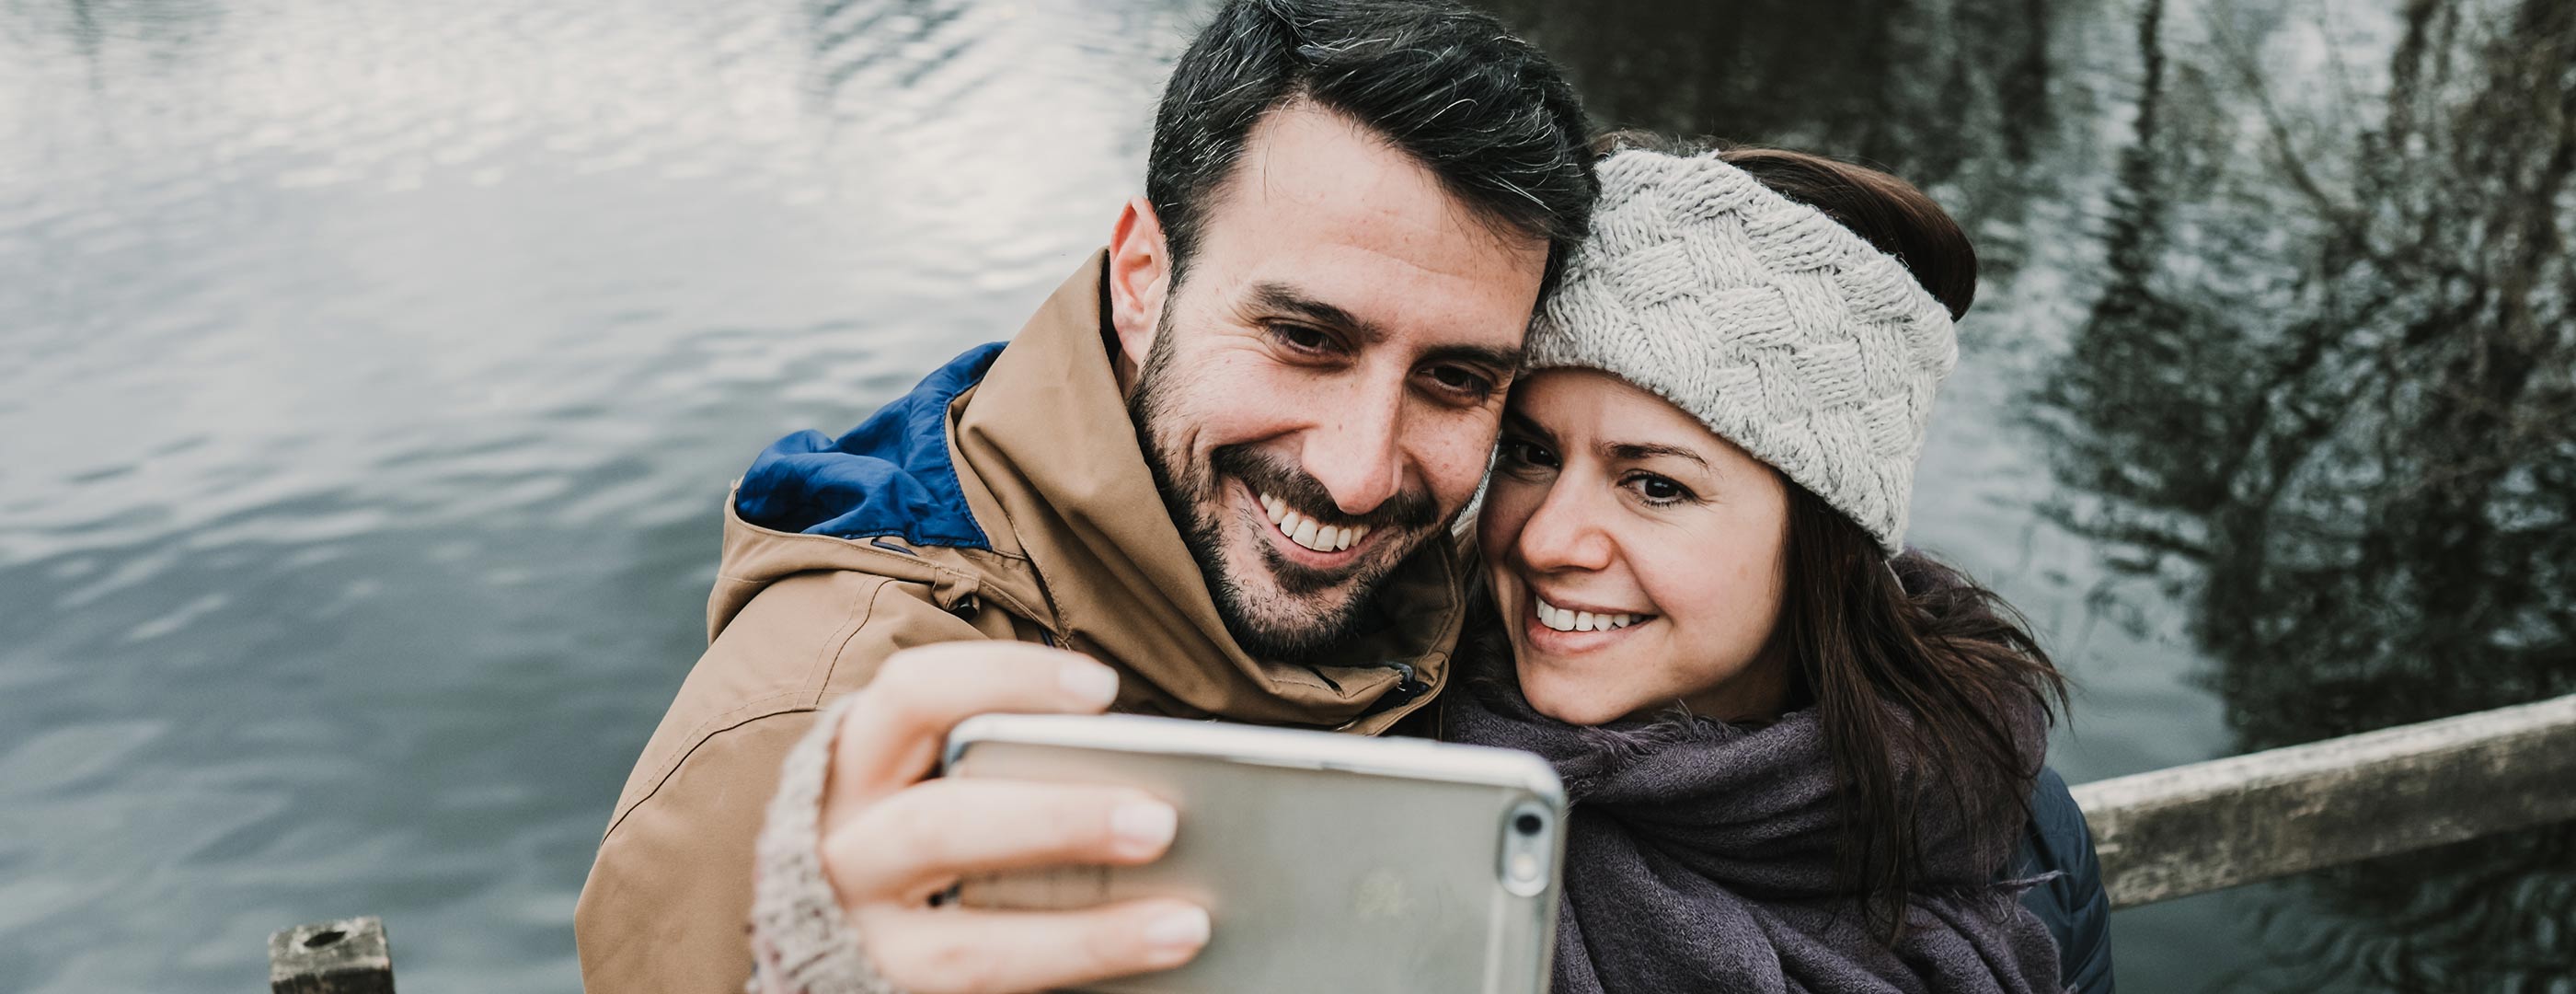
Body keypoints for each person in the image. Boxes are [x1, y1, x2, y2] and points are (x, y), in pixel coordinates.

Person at [571, 1, 1596, 990]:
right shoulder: (810, 738)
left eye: (1455, 380)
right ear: (1142, 276)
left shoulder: (1490, 623)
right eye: (1305, 339)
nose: (1360, 472)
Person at [1438, 135, 2107, 991]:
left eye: (1654, 485)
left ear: (1824, 542)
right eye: (1530, 454)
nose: (1544, 541)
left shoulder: (2006, 821)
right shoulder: (1392, 766)